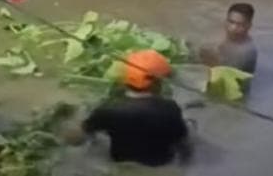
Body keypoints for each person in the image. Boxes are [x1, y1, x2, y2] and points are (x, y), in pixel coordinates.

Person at [63, 50, 191, 167]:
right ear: (157, 83)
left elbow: (75, 139)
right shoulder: (170, 108)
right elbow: (181, 140)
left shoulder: (107, 111)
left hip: (123, 166)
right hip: (162, 166)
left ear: (125, 79)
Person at [201, 3, 258, 74]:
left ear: (249, 26)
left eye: (239, 24)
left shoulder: (246, 52)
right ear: (226, 21)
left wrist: (210, 61)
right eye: (231, 22)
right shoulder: (230, 39)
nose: (233, 28)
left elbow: (228, 77)